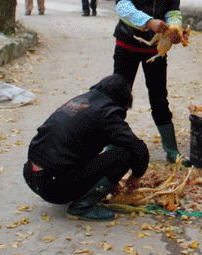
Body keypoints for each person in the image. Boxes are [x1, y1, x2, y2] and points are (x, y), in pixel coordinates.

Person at [22, 74, 149, 221]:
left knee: (105, 144)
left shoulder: (81, 100)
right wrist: (136, 176)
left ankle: (82, 191)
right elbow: (138, 148)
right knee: (124, 154)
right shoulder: (107, 113)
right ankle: (81, 207)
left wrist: (106, 181)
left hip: (31, 174)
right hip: (54, 188)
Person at [113, 0, 185, 163]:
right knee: (118, 97)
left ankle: (171, 149)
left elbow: (173, 9)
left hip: (156, 52)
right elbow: (123, 6)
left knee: (159, 97)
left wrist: (175, 28)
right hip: (127, 45)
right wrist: (148, 22)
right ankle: (111, 146)